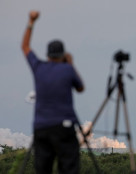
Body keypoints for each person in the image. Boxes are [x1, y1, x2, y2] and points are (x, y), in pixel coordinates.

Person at [21, 10, 84, 174]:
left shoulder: (39, 67)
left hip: (42, 128)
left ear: (47, 55)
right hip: (64, 127)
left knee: (43, 169)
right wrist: (70, 64)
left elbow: (25, 47)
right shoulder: (67, 70)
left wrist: (31, 21)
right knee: (69, 167)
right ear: (63, 55)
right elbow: (80, 88)